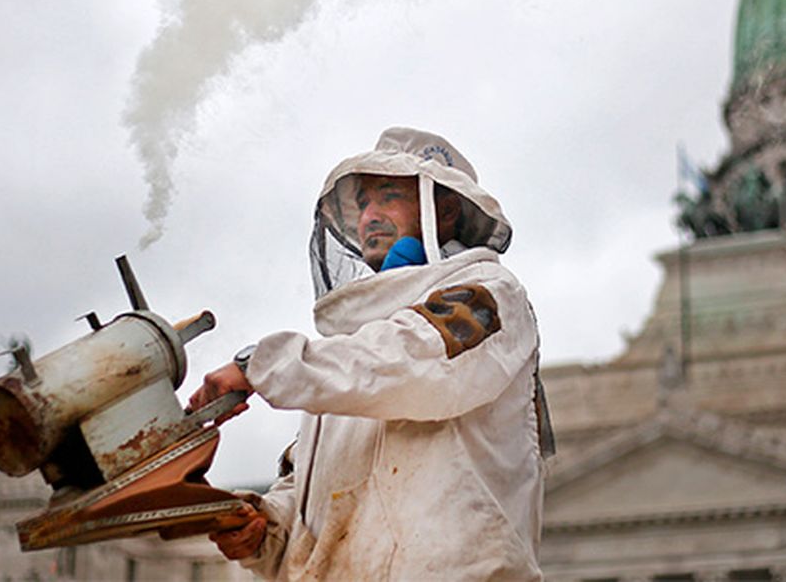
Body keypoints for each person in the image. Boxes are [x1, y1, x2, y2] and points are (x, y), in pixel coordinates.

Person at [187, 127, 551, 580]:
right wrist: (265, 528)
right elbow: (315, 492)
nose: (368, 217)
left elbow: (416, 364)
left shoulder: (490, 296)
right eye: (362, 205)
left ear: (446, 208)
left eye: (388, 197)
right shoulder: (350, 356)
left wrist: (259, 364)